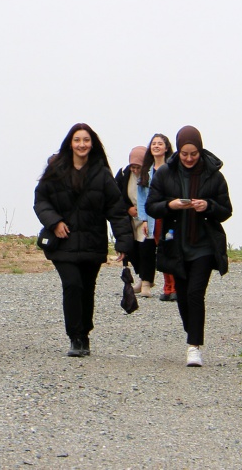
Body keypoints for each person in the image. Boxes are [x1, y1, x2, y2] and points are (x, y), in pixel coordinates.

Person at [34, 123, 134, 358]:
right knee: (72, 285)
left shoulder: (102, 174)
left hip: (92, 242)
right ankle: (74, 337)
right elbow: (41, 201)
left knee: (87, 289)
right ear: (70, 143)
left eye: (86, 140)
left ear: (92, 143)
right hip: (63, 243)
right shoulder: (55, 171)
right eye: (77, 140)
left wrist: (123, 242)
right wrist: (55, 222)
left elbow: (116, 210)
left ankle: (84, 335)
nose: (82, 144)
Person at [146, 125, 231, 367]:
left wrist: (209, 206)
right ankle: (191, 330)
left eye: (194, 154)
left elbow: (226, 210)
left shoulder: (214, 175)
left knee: (195, 294)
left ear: (200, 150)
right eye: (185, 154)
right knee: (182, 297)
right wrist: (170, 205)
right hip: (175, 244)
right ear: (179, 151)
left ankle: (194, 346)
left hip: (204, 244)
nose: (189, 158)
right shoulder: (165, 173)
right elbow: (152, 205)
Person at [116, 146, 156, 296]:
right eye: (132, 167)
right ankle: (142, 277)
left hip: (148, 219)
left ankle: (147, 283)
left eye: (137, 167)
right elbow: (117, 195)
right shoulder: (124, 174)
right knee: (133, 251)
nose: (134, 170)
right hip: (132, 220)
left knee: (147, 251)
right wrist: (128, 209)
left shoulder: (152, 174)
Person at [145, 134, 177, 302]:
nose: (156, 146)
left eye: (160, 143)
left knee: (172, 249)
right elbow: (142, 196)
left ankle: (176, 287)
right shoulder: (147, 170)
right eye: (153, 143)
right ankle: (167, 287)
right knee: (161, 250)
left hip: (170, 216)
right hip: (153, 217)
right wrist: (144, 219)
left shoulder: (172, 168)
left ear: (166, 147)